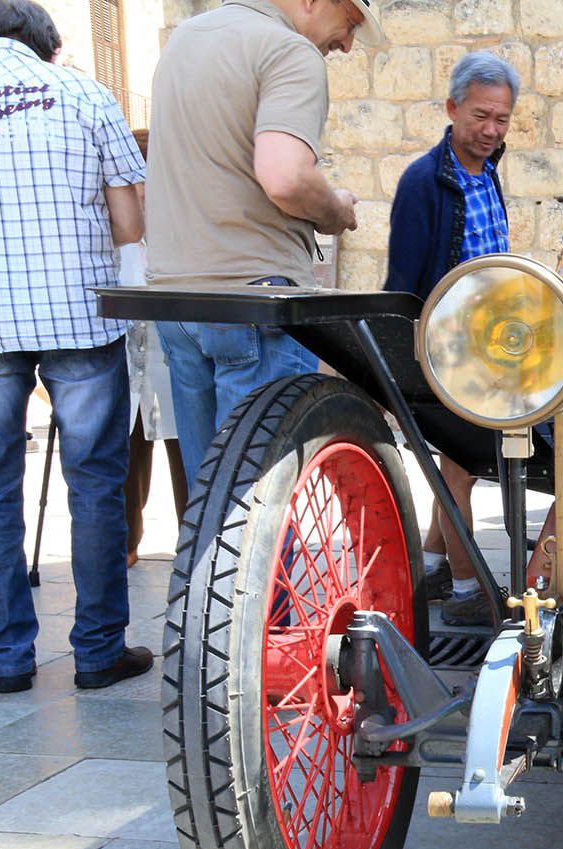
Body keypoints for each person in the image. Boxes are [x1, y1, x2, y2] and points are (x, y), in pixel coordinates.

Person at [0, 0, 153, 693]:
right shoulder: (82, 92)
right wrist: (134, 284)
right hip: (79, 316)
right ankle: (99, 651)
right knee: (95, 481)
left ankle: (8, 659)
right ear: (48, 45)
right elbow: (128, 205)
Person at [145, 0, 382, 494]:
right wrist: (335, 209)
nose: (347, 43)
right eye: (351, 22)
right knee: (258, 514)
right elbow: (286, 176)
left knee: (209, 505)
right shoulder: (290, 51)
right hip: (254, 299)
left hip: (175, 300)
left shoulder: (184, 41)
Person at [385, 51, 519, 626]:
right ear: (452, 108)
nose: (490, 130)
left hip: (492, 344)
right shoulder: (423, 182)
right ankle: (467, 591)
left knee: (454, 462)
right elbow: (404, 281)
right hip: (450, 347)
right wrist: (405, 359)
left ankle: (435, 562)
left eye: (502, 119)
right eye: (480, 116)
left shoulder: (488, 171)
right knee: (458, 466)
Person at [121, 129, 188, 565]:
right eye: (134, 183)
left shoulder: (183, 231)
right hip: (128, 361)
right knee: (128, 457)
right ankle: (126, 544)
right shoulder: (117, 237)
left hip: (176, 361)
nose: (142, 192)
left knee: (189, 456)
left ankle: (195, 543)